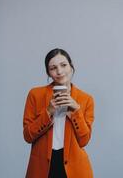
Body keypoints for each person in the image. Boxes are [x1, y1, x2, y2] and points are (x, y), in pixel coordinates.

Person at [23, 48, 94, 178]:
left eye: (63, 65)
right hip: (42, 167)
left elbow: (84, 140)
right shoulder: (35, 95)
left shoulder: (86, 99)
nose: (59, 71)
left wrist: (75, 110)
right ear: (48, 73)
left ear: (71, 66)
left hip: (75, 169)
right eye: (53, 68)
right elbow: (28, 136)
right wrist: (48, 111)